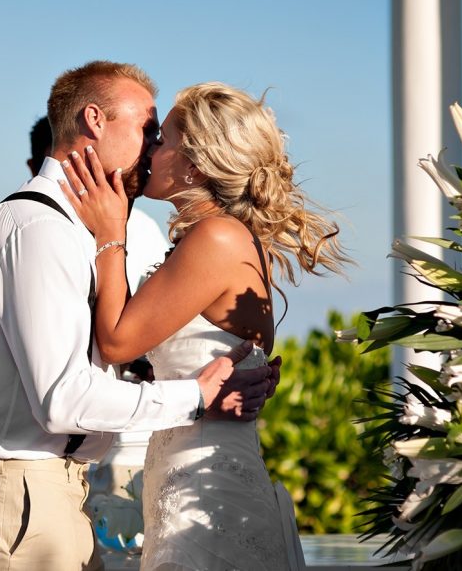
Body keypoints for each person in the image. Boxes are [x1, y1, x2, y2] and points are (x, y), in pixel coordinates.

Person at [0, 62, 280, 571]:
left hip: (60, 492)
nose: (150, 146)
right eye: (148, 128)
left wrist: (242, 373)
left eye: (158, 135)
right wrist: (198, 395)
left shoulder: (95, 228)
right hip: (20, 489)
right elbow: (63, 398)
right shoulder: (38, 226)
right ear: (95, 120)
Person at [61, 81, 350, 570]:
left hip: (204, 485)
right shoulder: (220, 238)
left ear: (194, 163)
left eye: (163, 139)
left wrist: (111, 233)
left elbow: (115, 341)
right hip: (191, 468)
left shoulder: (216, 237)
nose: (151, 149)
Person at [27, 115, 164, 502]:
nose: (151, 151)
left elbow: (128, 340)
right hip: (75, 453)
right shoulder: (33, 226)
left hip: (134, 446)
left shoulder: (144, 231)